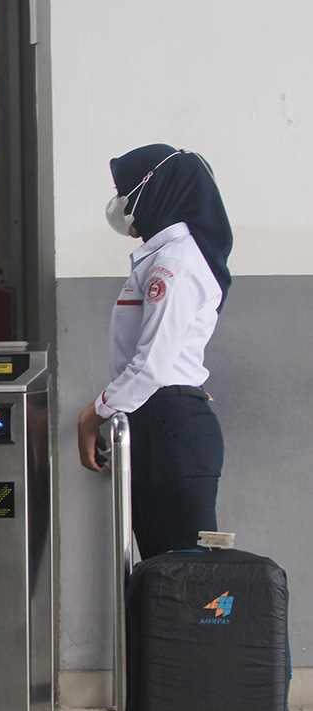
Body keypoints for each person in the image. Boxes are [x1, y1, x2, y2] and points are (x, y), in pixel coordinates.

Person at [77, 144, 232, 560]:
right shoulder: (161, 258)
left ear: (154, 190)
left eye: (124, 189)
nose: (119, 201)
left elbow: (153, 366)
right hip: (160, 424)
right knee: (163, 581)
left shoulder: (174, 264)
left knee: (184, 585)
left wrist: (92, 414)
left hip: (171, 426)